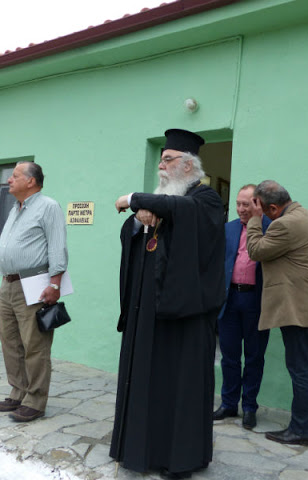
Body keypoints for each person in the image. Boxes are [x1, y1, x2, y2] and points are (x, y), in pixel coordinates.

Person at [110, 129, 226, 479]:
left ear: (189, 165)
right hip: (148, 310)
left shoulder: (204, 199)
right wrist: (138, 220)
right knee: (144, 380)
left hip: (185, 316)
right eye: (160, 159)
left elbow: (182, 211)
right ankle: (137, 449)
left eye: (169, 159)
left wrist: (134, 198)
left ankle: (180, 459)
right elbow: (135, 232)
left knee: (180, 388)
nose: (161, 165)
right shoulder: (161, 200)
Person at [246, 180, 308, 447]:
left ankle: (301, 430)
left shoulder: (284, 224)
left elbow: (255, 251)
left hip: (298, 308)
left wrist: (255, 221)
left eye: (263, 210)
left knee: (301, 369)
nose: (262, 214)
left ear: (273, 207)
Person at [0, 161, 68, 422]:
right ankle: (18, 391)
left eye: (15, 176)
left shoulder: (49, 206)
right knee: (10, 340)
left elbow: (57, 247)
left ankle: (35, 400)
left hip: (34, 283)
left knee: (34, 344)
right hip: (8, 284)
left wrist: (55, 284)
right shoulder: (15, 208)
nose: (9, 180)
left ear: (31, 181)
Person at [213, 184, 271, 430]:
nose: (240, 209)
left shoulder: (271, 228)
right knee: (229, 356)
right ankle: (228, 403)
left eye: (246, 204)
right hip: (229, 299)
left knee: (255, 356)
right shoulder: (228, 228)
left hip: (256, 300)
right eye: (238, 203)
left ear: (257, 203)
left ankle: (249, 407)